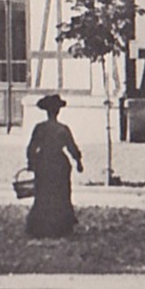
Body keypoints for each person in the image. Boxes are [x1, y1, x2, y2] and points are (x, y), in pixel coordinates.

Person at [24, 94, 83, 238]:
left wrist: (31, 163)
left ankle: (40, 226)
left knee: (43, 193)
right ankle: (61, 226)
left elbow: (31, 147)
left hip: (43, 162)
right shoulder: (63, 129)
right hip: (59, 163)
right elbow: (72, 147)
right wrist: (78, 162)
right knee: (61, 193)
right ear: (58, 111)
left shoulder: (40, 128)